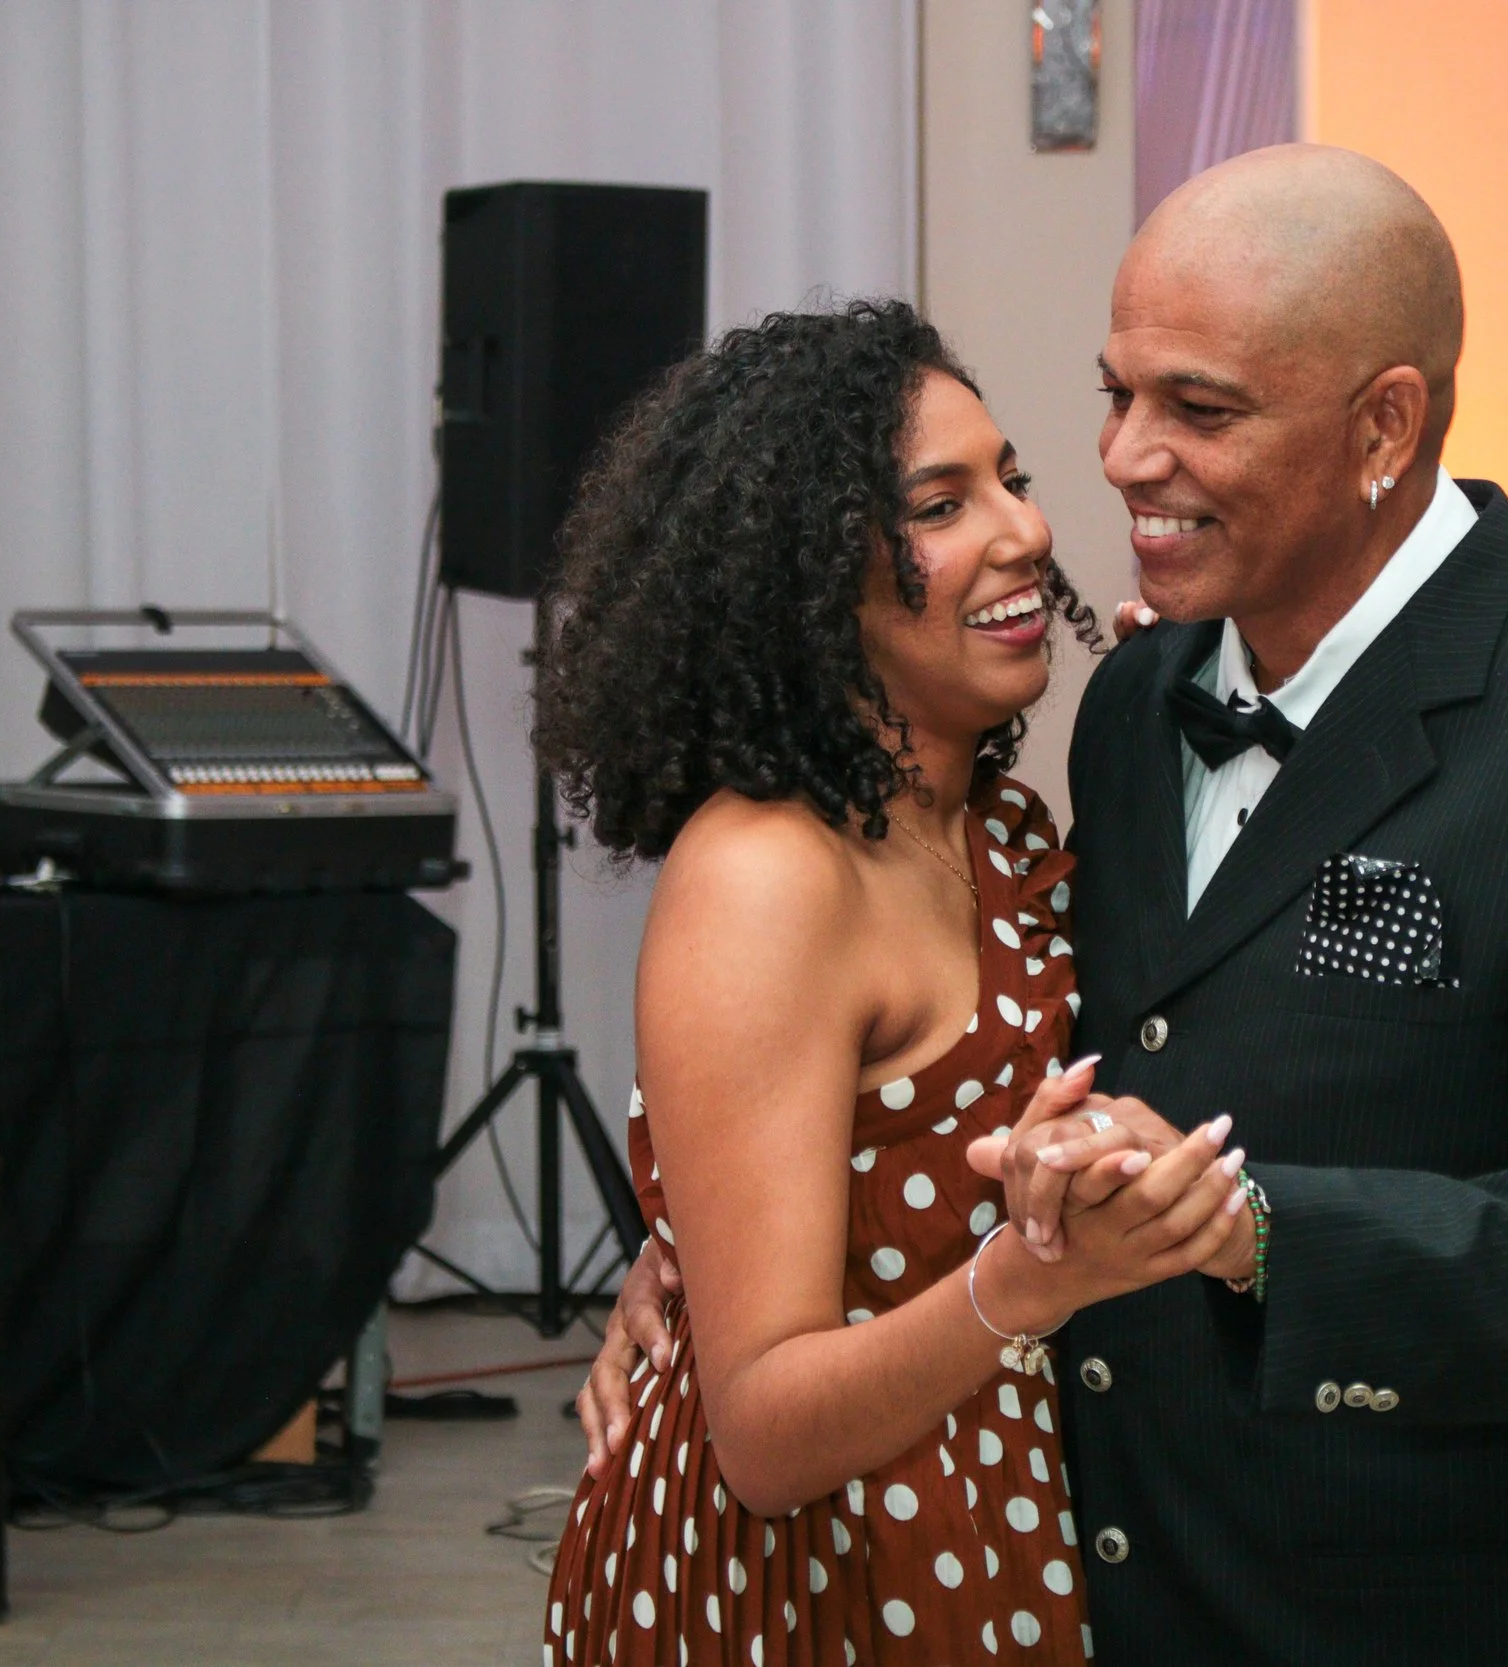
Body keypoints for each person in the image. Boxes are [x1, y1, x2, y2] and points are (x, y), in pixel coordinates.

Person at [585, 147, 1508, 1665]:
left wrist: (1265, 1234)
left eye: (1200, 409)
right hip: (1105, 1595)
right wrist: (711, 1259)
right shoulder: (1138, 702)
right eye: (1116, 395)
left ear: (1386, 421)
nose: (1117, 461)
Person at [531, 299, 1261, 1667]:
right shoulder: (769, 874)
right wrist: (1026, 1286)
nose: (1026, 532)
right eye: (941, 503)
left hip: (981, 1532)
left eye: (1013, 481)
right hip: (816, 1586)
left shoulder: (998, 826)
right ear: (804, 579)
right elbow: (760, 1435)